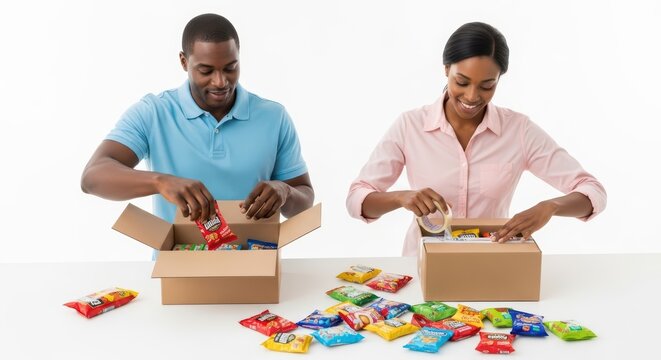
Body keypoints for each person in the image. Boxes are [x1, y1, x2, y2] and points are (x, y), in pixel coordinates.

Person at [346, 22, 606, 257]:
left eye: (486, 86)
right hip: (423, 264)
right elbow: (357, 199)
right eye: (462, 82)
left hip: (491, 265)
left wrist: (549, 207)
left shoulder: (519, 130)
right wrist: (401, 198)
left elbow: (592, 191)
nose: (472, 96)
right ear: (446, 69)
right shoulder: (410, 126)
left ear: (499, 80)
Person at [81, 14, 314, 231]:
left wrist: (285, 191)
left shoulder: (273, 117)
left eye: (230, 68)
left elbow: (304, 201)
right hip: (177, 265)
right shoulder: (154, 112)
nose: (221, 81)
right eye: (206, 70)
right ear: (184, 62)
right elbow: (92, 178)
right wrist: (160, 182)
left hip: (255, 262)